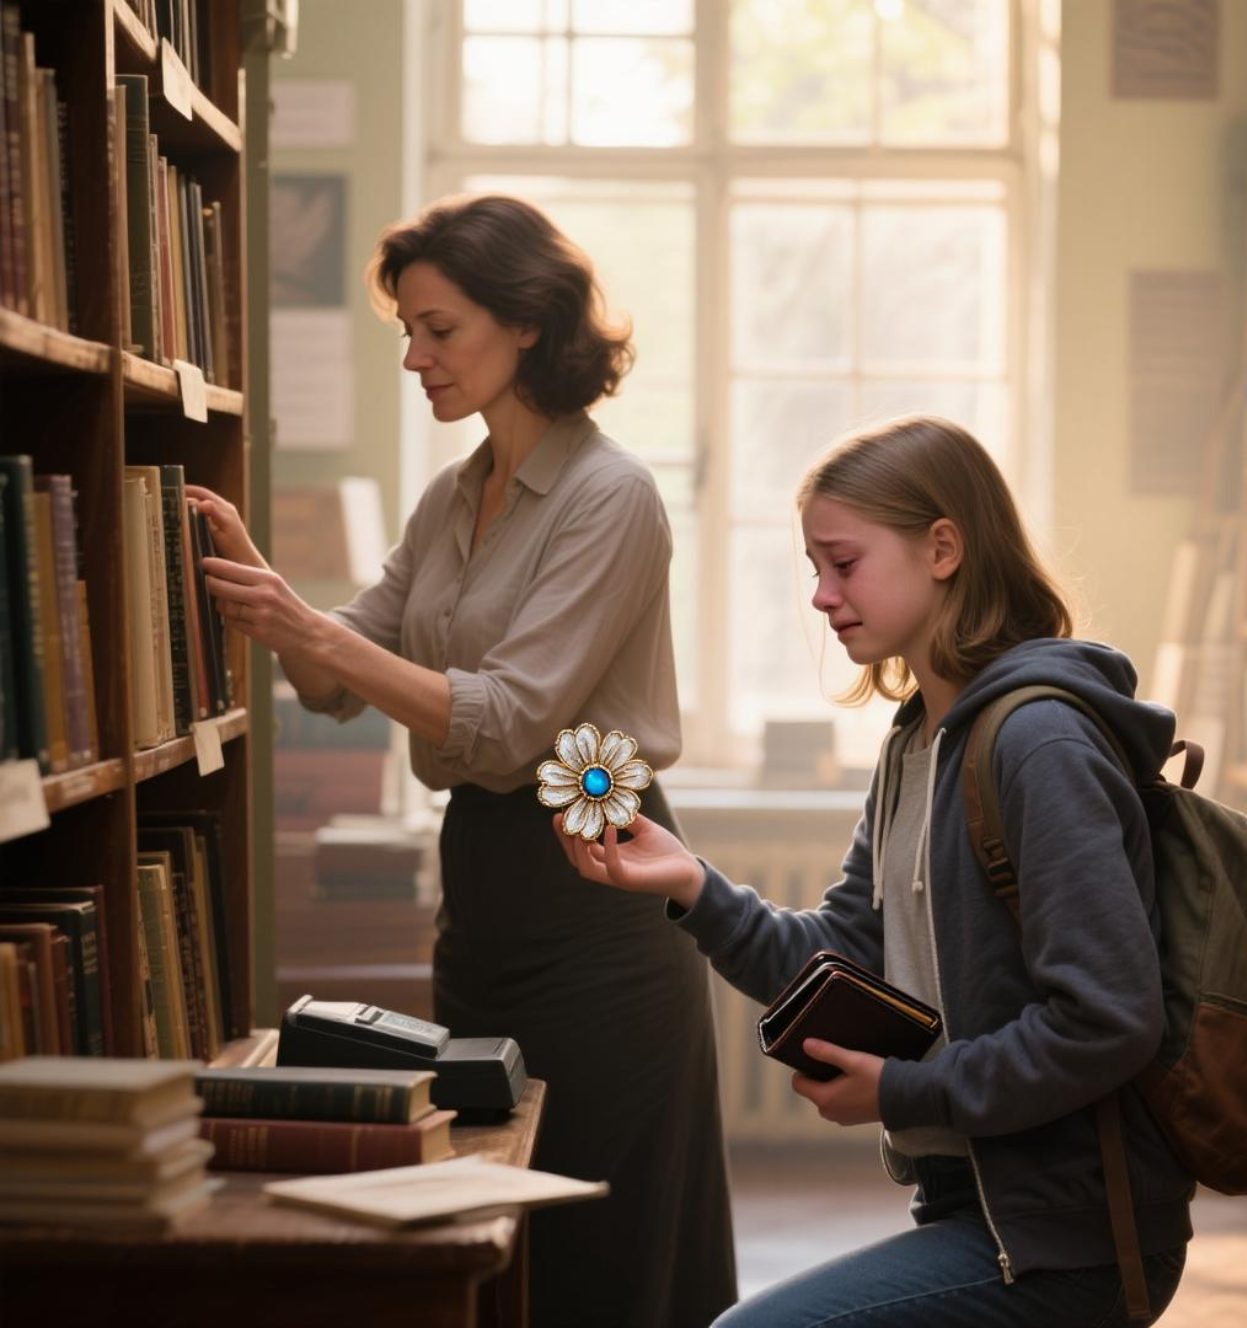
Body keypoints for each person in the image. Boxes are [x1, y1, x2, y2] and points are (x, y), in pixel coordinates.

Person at [192, 193, 737, 1328]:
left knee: (602, 1247)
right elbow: (333, 683)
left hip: (602, 881)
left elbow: (508, 722)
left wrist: (310, 628)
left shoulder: (611, 497)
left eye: (438, 328)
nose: (413, 356)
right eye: (407, 329)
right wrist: (273, 595)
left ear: (526, 323)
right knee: (490, 1222)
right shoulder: (451, 496)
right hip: (481, 889)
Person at [560, 415, 1193, 1327]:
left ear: (943, 549)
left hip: (1075, 1240)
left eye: (843, 563)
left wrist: (902, 1091)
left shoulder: (1039, 742)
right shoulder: (916, 744)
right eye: (814, 568)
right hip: (980, 1213)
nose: (821, 596)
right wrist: (691, 886)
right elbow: (840, 955)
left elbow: (1109, 1019)